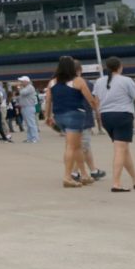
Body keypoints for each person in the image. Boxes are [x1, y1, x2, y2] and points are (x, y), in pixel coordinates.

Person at [91, 57, 135, 192]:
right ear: (120, 67)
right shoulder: (126, 80)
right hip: (122, 115)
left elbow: (96, 101)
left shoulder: (99, 81)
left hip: (106, 116)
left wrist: (99, 116)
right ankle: (116, 183)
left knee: (124, 149)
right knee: (120, 149)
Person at [44, 56, 99, 188]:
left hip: (59, 116)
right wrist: (96, 106)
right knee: (72, 147)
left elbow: (48, 101)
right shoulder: (77, 80)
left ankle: (84, 174)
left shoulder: (52, 82)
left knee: (76, 146)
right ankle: (67, 177)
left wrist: (47, 116)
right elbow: (90, 99)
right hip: (75, 115)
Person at [15, 76, 41, 143]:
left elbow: (22, 93)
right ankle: (30, 138)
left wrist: (20, 88)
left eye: (22, 81)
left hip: (29, 107)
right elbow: (20, 96)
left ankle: (35, 138)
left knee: (31, 123)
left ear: (26, 81)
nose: (20, 83)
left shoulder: (30, 87)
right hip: (24, 107)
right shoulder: (25, 88)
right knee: (28, 124)